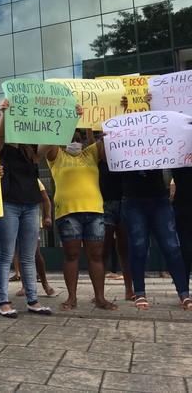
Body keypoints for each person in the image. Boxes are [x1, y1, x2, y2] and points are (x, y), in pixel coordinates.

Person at [40, 127, 116, 311]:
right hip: (68, 213)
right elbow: (42, 146)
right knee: (71, 255)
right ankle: (71, 298)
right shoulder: (56, 154)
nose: (74, 141)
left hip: (95, 211)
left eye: (78, 137)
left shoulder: (90, 153)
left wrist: (99, 132)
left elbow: (106, 149)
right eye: (70, 137)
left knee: (96, 256)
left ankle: (100, 298)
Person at [0, 100, 51, 318]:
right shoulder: (2, 148)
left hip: (30, 204)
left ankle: (33, 300)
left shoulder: (32, 151)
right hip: (8, 203)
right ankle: (3, 301)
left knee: (27, 255)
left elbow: (52, 140)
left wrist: (69, 118)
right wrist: (5, 113)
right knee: (6, 254)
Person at [122, 169, 191, 310]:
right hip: (133, 198)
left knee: (171, 246)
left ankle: (184, 293)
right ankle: (140, 292)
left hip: (159, 198)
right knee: (138, 246)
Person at [99, 158, 134, 300]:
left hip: (124, 200)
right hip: (104, 202)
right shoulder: (97, 153)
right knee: (104, 249)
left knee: (125, 247)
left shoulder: (124, 152)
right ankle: (99, 292)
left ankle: (129, 289)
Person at [16, 180, 56, 298]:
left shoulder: (34, 179)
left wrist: (47, 216)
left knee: (36, 253)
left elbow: (45, 199)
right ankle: (25, 285)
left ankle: (45, 284)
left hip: (30, 219)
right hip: (13, 219)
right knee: (19, 252)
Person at [172, 171, 192, 289]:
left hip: (182, 202)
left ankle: (183, 288)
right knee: (185, 248)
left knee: (185, 247)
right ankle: (184, 289)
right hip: (183, 203)